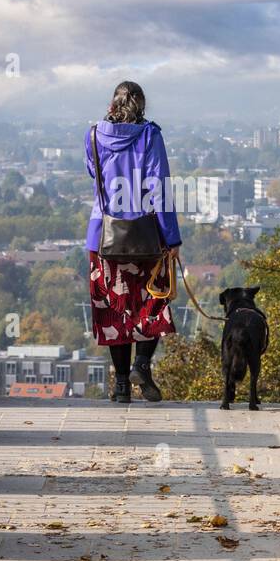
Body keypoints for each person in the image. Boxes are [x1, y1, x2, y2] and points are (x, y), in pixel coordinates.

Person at [84, 80, 182, 403]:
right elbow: (161, 188)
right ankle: (142, 363)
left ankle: (122, 384)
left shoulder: (94, 136)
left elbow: (93, 172)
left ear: (112, 105)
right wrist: (172, 237)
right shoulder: (150, 136)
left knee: (115, 309)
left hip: (104, 236)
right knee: (152, 300)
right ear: (141, 106)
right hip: (145, 236)